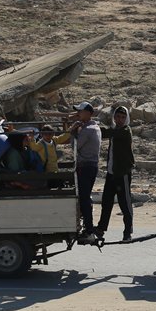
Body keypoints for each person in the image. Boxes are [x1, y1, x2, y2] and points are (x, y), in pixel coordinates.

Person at [96, 105, 134, 242]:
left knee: (125, 203)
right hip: (111, 172)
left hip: (122, 172)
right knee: (106, 202)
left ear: (126, 119)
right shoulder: (115, 130)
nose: (120, 119)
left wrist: (93, 127)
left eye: (123, 117)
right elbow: (107, 133)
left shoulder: (125, 130)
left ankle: (128, 231)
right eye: (118, 117)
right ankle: (101, 228)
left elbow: (108, 133)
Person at [67, 101, 102, 242]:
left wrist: (72, 131)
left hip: (85, 166)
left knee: (84, 198)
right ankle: (88, 228)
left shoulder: (88, 130)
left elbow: (74, 147)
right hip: (91, 166)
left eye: (81, 112)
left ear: (88, 113)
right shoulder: (95, 127)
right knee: (85, 197)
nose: (78, 114)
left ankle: (89, 230)